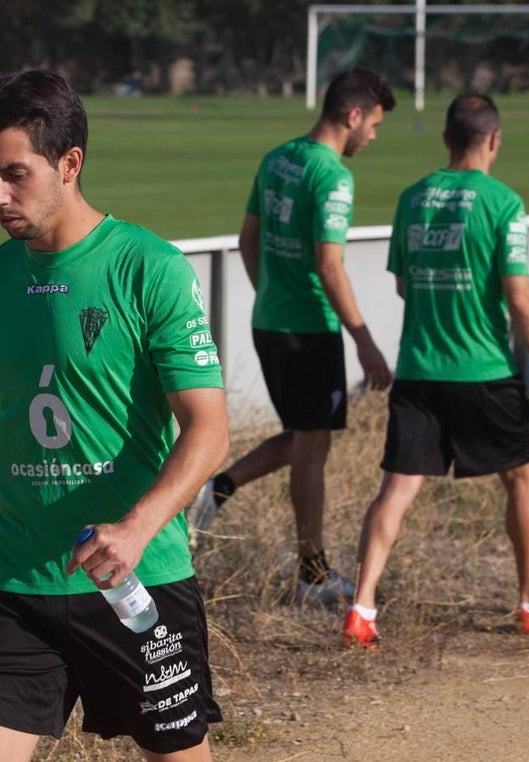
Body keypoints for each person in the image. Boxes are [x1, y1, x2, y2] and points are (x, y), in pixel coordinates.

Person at [0, 70, 229, 762]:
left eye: (15, 174)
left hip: (137, 582)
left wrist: (136, 528)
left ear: (70, 164)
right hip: (14, 585)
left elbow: (208, 429)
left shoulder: (149, 268)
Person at [343, 94, 529, 648]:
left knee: (397, 488)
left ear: (447, 139)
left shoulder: (412, 198)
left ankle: (362, 608)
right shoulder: (503, 203)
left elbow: (404, 284)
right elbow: (518, 296)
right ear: (494, 140)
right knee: (523, 475)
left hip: (419, 369)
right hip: (484, 370)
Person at [186, 67, 395, 605]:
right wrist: (364, 340)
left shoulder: (277, 158)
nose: (373, 135)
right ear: (352, 115)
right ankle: (313, 575)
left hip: (271, 321)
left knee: (309, 436)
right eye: (373, 124)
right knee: (312, 447)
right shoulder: (333, 176)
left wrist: (270, 293)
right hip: (308, 328)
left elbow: (247, 240)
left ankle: (219, 487)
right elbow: (330, 266)